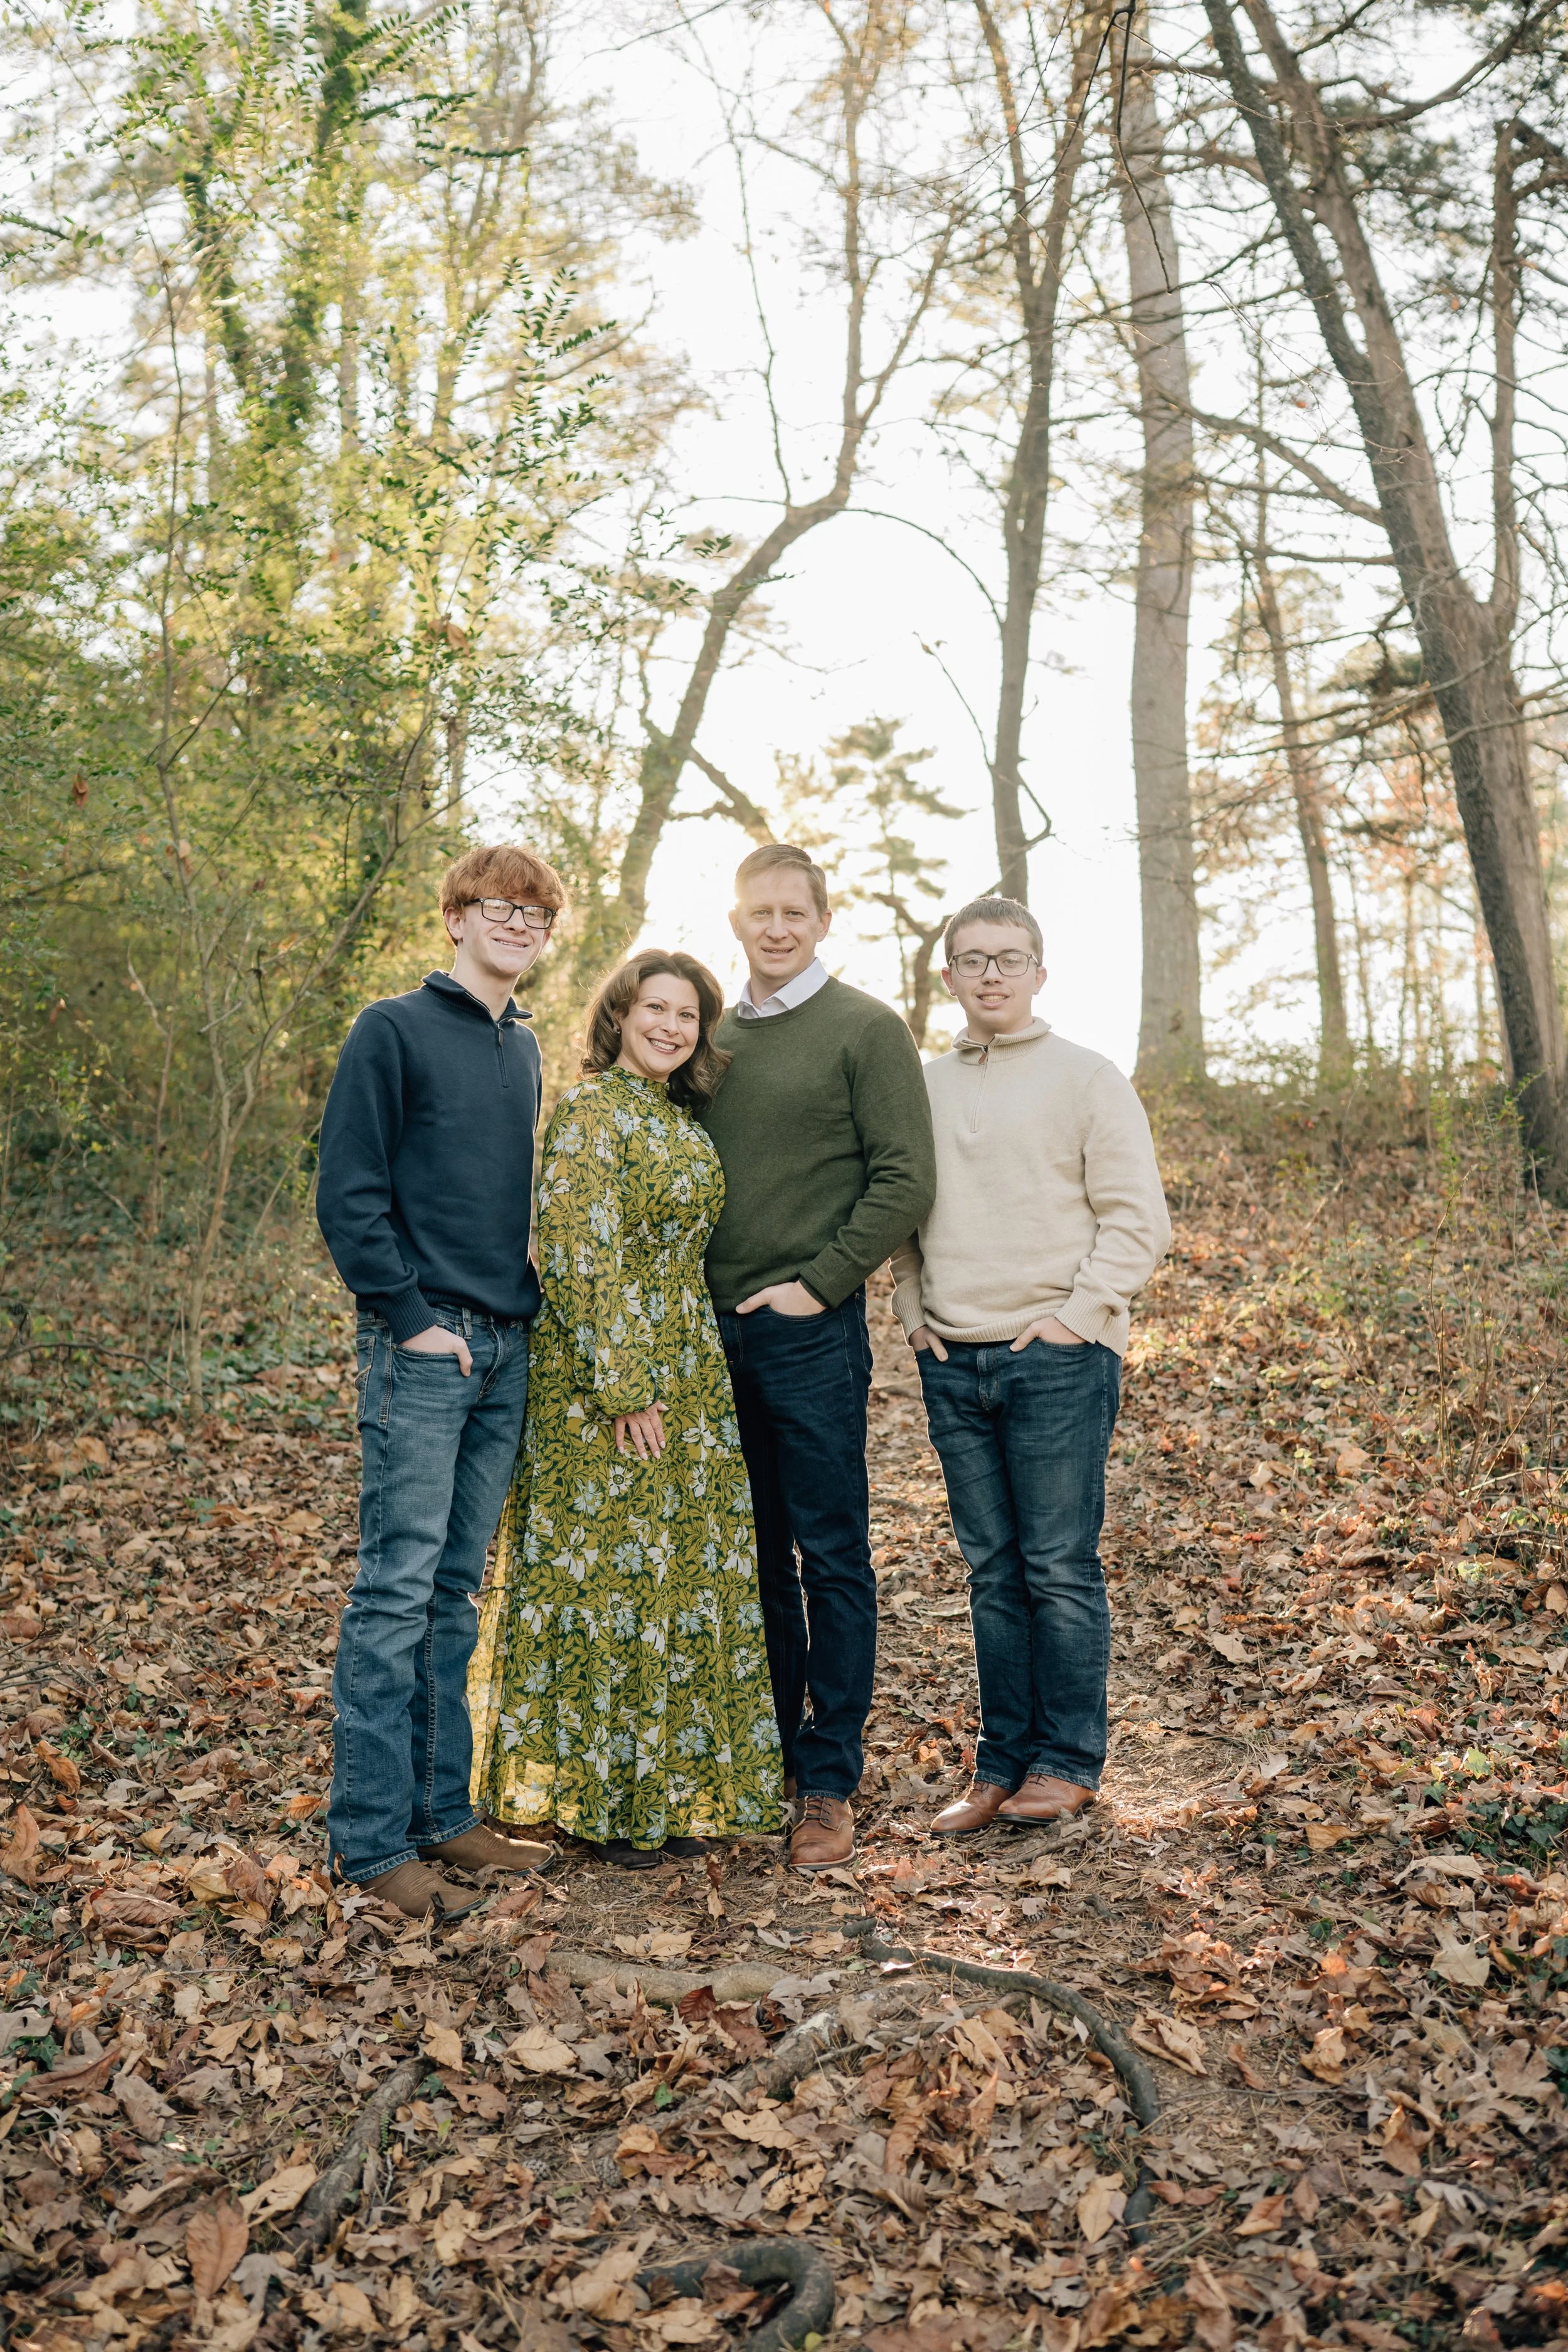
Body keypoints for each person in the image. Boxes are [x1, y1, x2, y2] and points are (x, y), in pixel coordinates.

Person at [468, 951, 783, 1867]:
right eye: (656, 1008)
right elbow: (578, 1254)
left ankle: (666, 1789)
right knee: (608, 1581)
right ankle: (600, 1801)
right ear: (619, 1015)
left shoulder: (675, 1117)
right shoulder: (591, 1112)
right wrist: (625, 1385)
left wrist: (670, 1377)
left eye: (688, 1016)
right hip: (605, 1380)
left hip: (687, 1366)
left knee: (672, 1576)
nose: (671, 1027)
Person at [315, 845, 566, 1919]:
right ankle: (374, 1845)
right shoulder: (393, 1028)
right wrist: (412, 1320)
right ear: (456, 916)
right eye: (498, 906)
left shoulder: (527, 1047)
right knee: (395, 1590)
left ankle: (442, 1814)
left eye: (536, 914)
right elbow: (348, 1190)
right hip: (425, 1345)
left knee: (456, 1593)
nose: (517, 923)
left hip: (506, 1346)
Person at [890, 894, 1171, 1835]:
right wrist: (913, 1313)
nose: (992, 975)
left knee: (1056, 1565)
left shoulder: (1088, 1077)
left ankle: (1067, 1759)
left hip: (1056, 1359)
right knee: (992, 1571)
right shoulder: (922, 1085)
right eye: (973, 960)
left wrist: (1076, 1319)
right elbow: (902, 1210)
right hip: (953, 1356)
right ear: (949, 977)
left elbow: (1138, 1218)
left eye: (1009, 959)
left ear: (1040, 973)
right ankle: (1000, 1763)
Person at [702, 844, 936, 1871]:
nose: (777, 926)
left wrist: (821, 1283)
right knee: (753, 1558)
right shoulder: (707, 1037)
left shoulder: (865, 1028)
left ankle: (828, 1778)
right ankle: (769, 1755)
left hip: (808, 1333)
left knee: (830, 1555)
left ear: (823, 920)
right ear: (737, 920)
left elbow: (905, 1177)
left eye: (794, 911)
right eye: (760, 910)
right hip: (708, 1338)